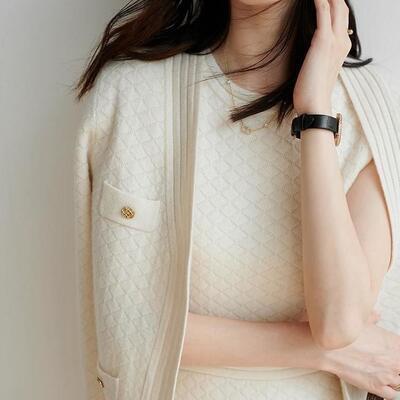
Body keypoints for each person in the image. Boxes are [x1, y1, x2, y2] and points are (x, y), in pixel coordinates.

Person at [72, 1, 400, 399]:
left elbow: (338, 323)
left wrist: (315, 113)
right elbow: (129, 329)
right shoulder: (134, 95)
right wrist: (320, 352)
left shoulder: (371, 106)